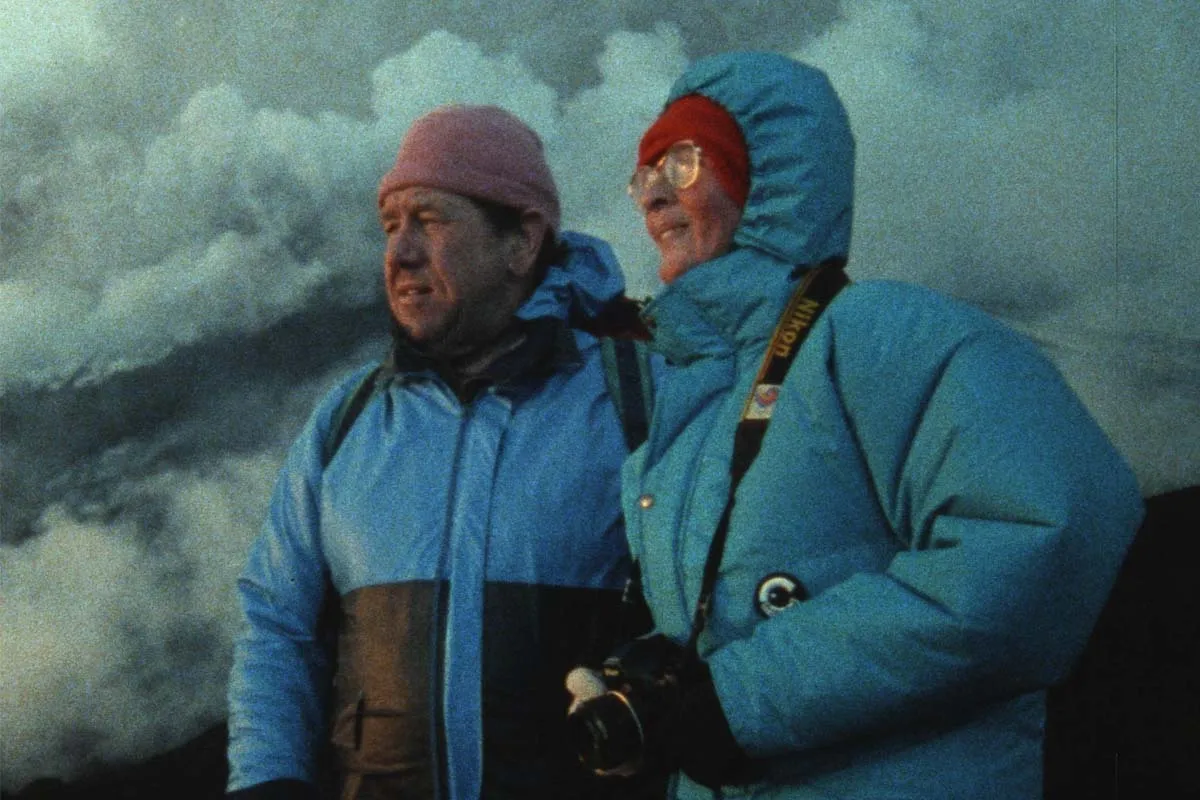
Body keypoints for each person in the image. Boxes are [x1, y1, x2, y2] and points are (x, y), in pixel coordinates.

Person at [565, 52, 1145, 798]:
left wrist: (742, 699)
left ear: (768, 178)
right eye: (642, 176)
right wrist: (655, 680)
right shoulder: (693, 409)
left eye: (680, 163)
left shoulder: (878, 335)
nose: (651, 196)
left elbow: (1049, 531)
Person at [227, 104, 656, 800]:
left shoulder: (634, 401)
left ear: (521, 242)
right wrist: (267, 779)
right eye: (390, 226)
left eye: (429, 220)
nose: (399, 254)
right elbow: (278, 623)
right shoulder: (349, 419)